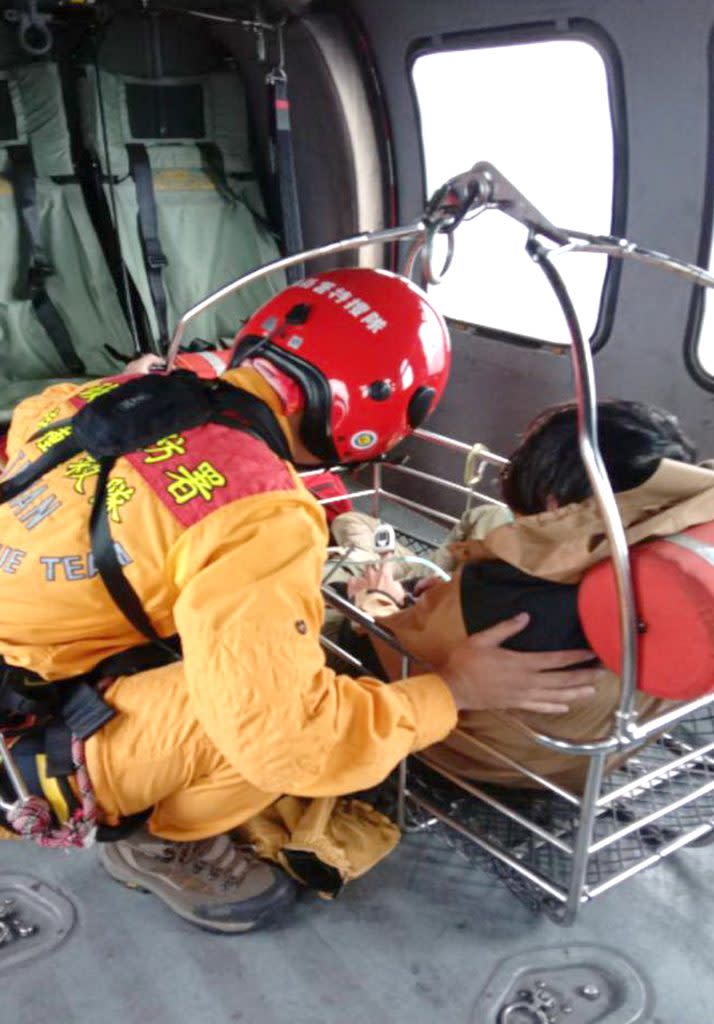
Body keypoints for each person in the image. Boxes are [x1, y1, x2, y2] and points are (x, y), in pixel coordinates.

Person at [0, 268, 601, 933]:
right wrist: (453, 690)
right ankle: (158, 843)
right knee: (272, 709)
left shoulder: (71, 403)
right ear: (381, 414)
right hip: (23, 737)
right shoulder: (259, 513)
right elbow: (287, 739)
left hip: (27, 664)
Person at [339, 399, 714, 791]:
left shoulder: (496, 592)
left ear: (554, 502)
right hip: (584, 764)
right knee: (484, 522)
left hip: (472, 759)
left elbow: (398, 652)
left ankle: (378, 564)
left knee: (354, 528)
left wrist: (377, 600)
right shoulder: (687, 573)